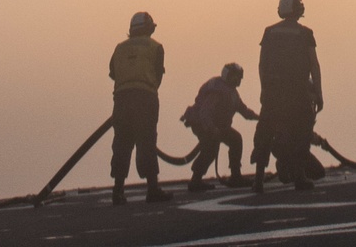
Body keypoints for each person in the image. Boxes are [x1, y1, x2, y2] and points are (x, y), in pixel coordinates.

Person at [252, 0, 323, 193]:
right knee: (300, 132)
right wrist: (318, 92)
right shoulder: (305, 33)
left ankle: (258, 180)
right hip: (297, 90)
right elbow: (313, 64)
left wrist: (264, 89)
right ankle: (300, 177)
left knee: (264, 133)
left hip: (273, 90)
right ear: (299, 10)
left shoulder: (269, 32)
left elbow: (262, 64)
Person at [109, 11, 170, 206]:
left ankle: (118, 191)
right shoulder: (156, 47)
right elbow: (158, 75)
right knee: (147, 142)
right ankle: (152, 189)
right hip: (145, 98)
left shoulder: (119, 48)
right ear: (149, 28)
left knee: (122, 144)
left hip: (121, 99)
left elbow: (113, 73)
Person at [184, 62, 259, 192]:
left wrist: (260, 118)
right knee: (211, 148)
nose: (238, 80)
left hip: (216, 125)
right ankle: (195, 180)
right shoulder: (217, 91)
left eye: (239, 77)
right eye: (236, 76)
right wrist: (212, 129)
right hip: (202, 124)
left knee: (236, 140)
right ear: (228, 75)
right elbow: (205, 113)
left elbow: (244, 111)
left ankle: (235, 176)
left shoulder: (232, 93)